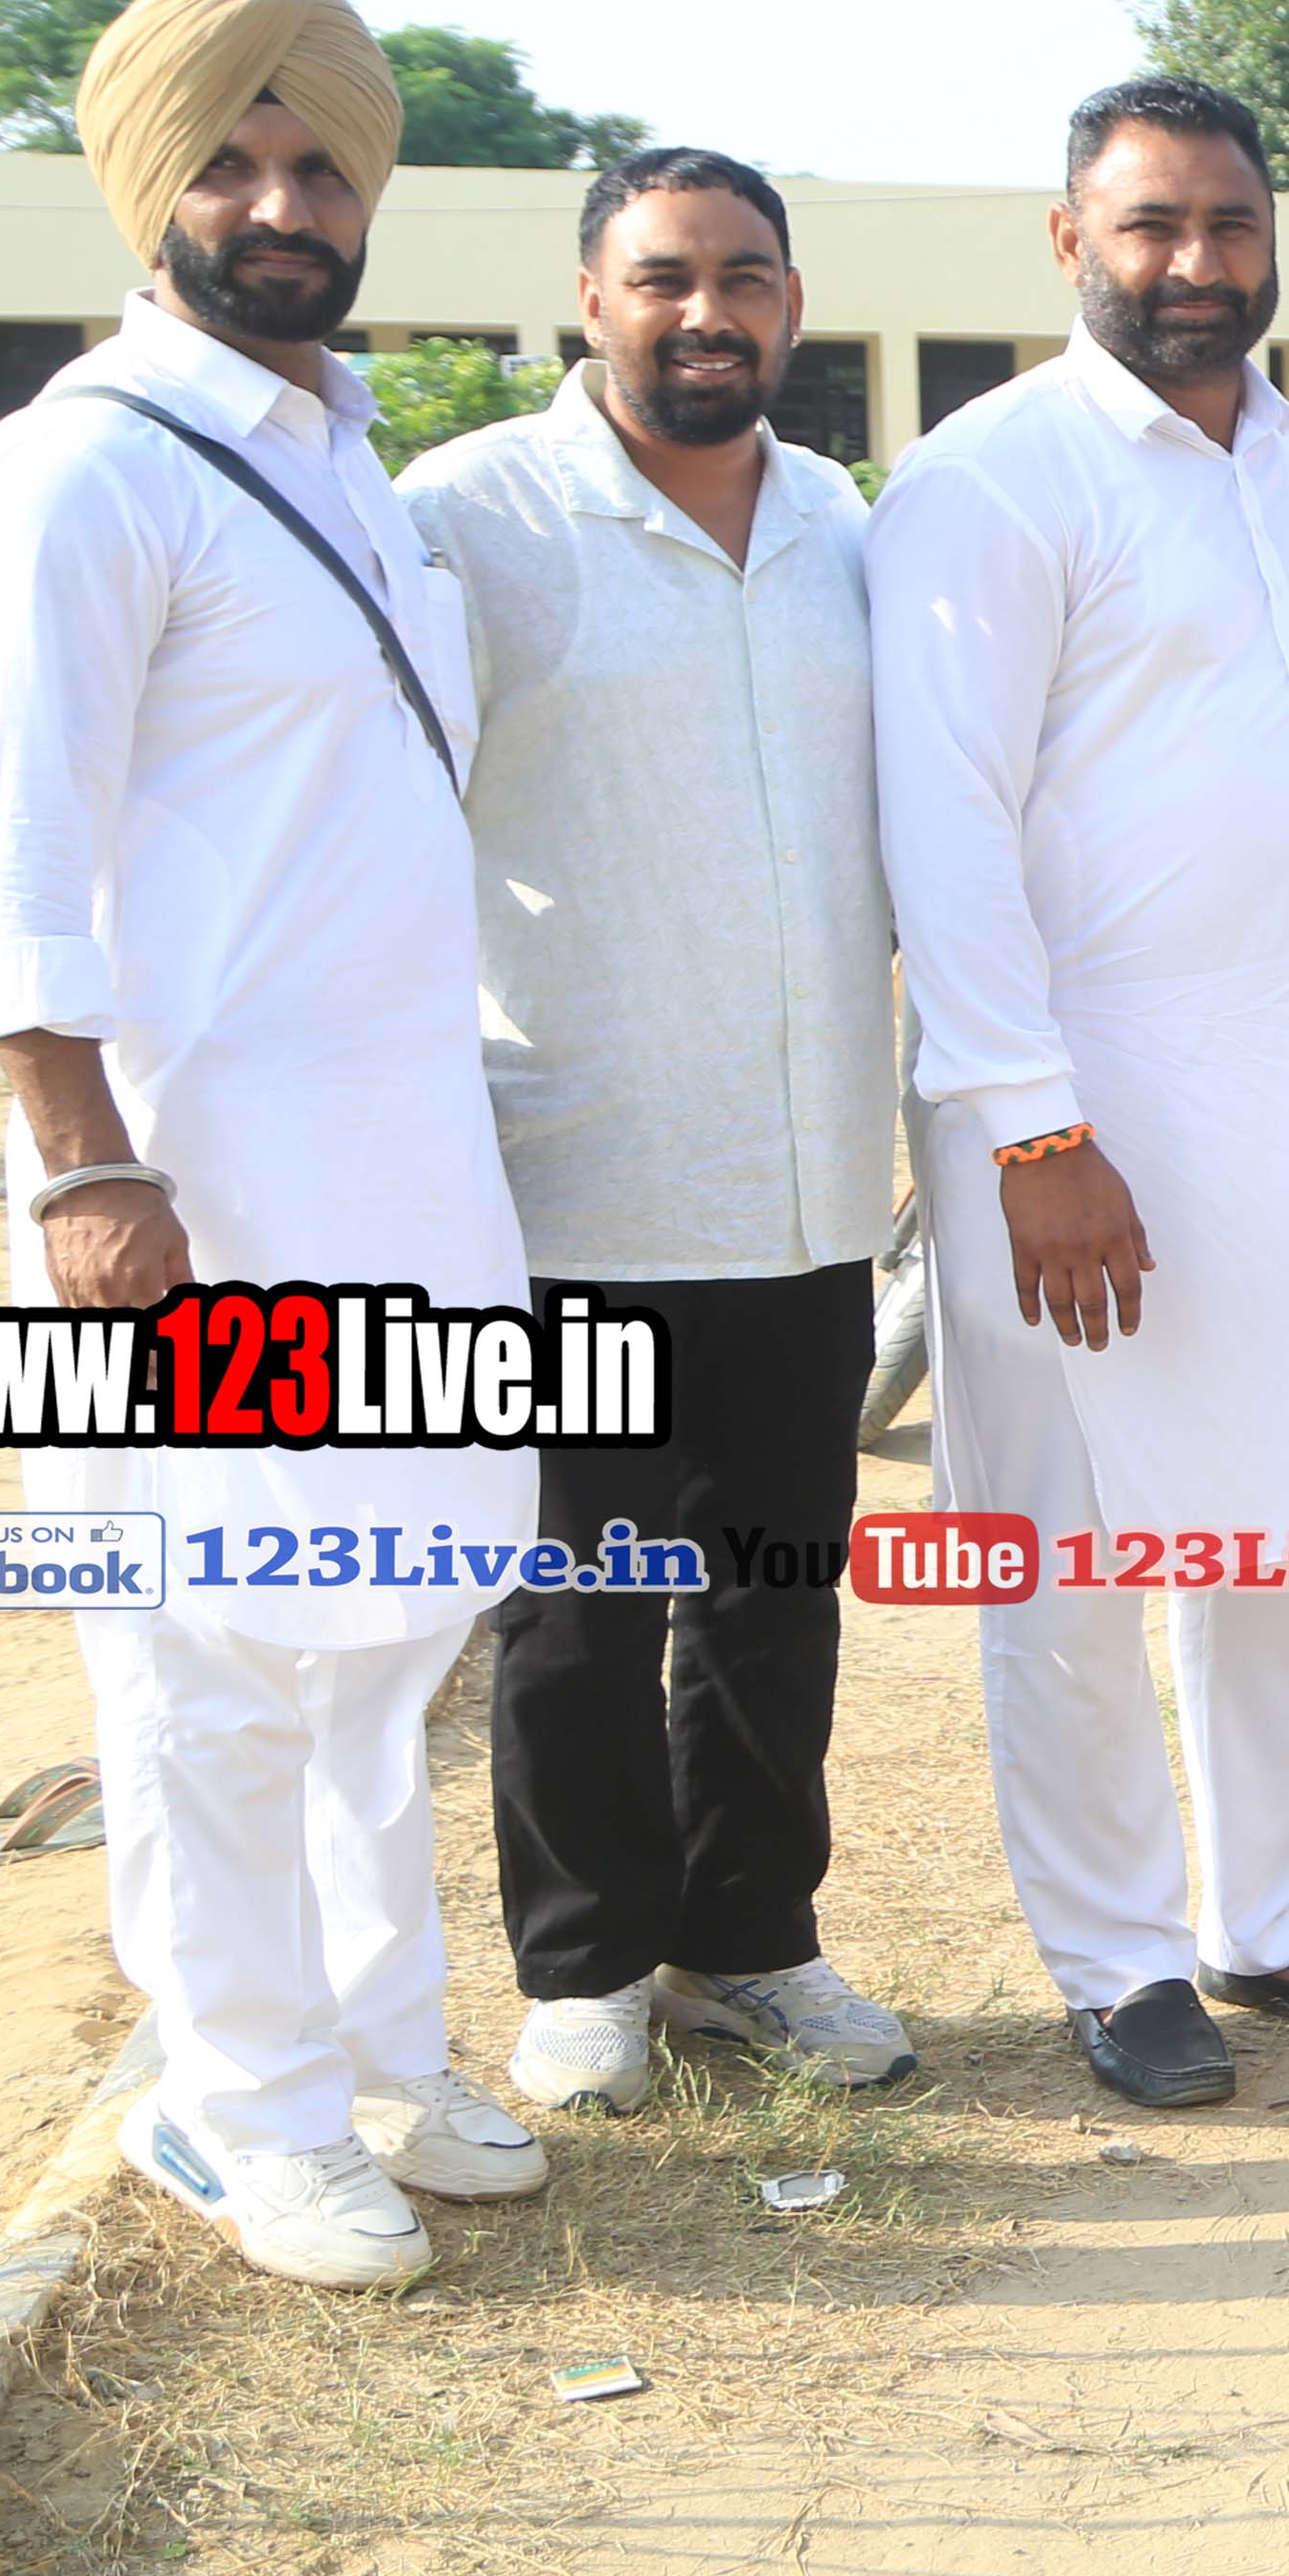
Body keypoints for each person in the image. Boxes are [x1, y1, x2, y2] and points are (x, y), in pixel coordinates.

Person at [0, 0, 541, 2286]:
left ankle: (379, 2050)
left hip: (401, 1156)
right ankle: (233, 2104)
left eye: (319, 168)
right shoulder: (81, 466)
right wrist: (85, 1160)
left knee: (386, 1626)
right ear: (148, 190)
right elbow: (4, 850)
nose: (282, 207)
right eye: (232, 166)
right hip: (191, 1186)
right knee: (213, 1646)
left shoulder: (349, 459)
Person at [872, 74, 1289, 2106]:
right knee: (1070, 1551)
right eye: (1151, 226)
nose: (1196, 264)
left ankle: (1267, 1919)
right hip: (1070, 1112)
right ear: (1069, 243)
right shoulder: (989, 478)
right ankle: (1116, 1960)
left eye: (1229, 225)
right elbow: (944, 826)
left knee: (1288, 1520)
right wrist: (1034, 1129)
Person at [406, 146, 913, 2114]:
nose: (709, 312)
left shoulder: (844, 523)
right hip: (572, 1176)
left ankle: (750, 1941)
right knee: (582, 1603)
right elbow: (382, 822)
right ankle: (586, 1967)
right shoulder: (473, 519)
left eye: (746, 276)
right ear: (590, 299)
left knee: (774, 1589)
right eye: (665, 277)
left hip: (802, 1175)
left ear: (793, 304)